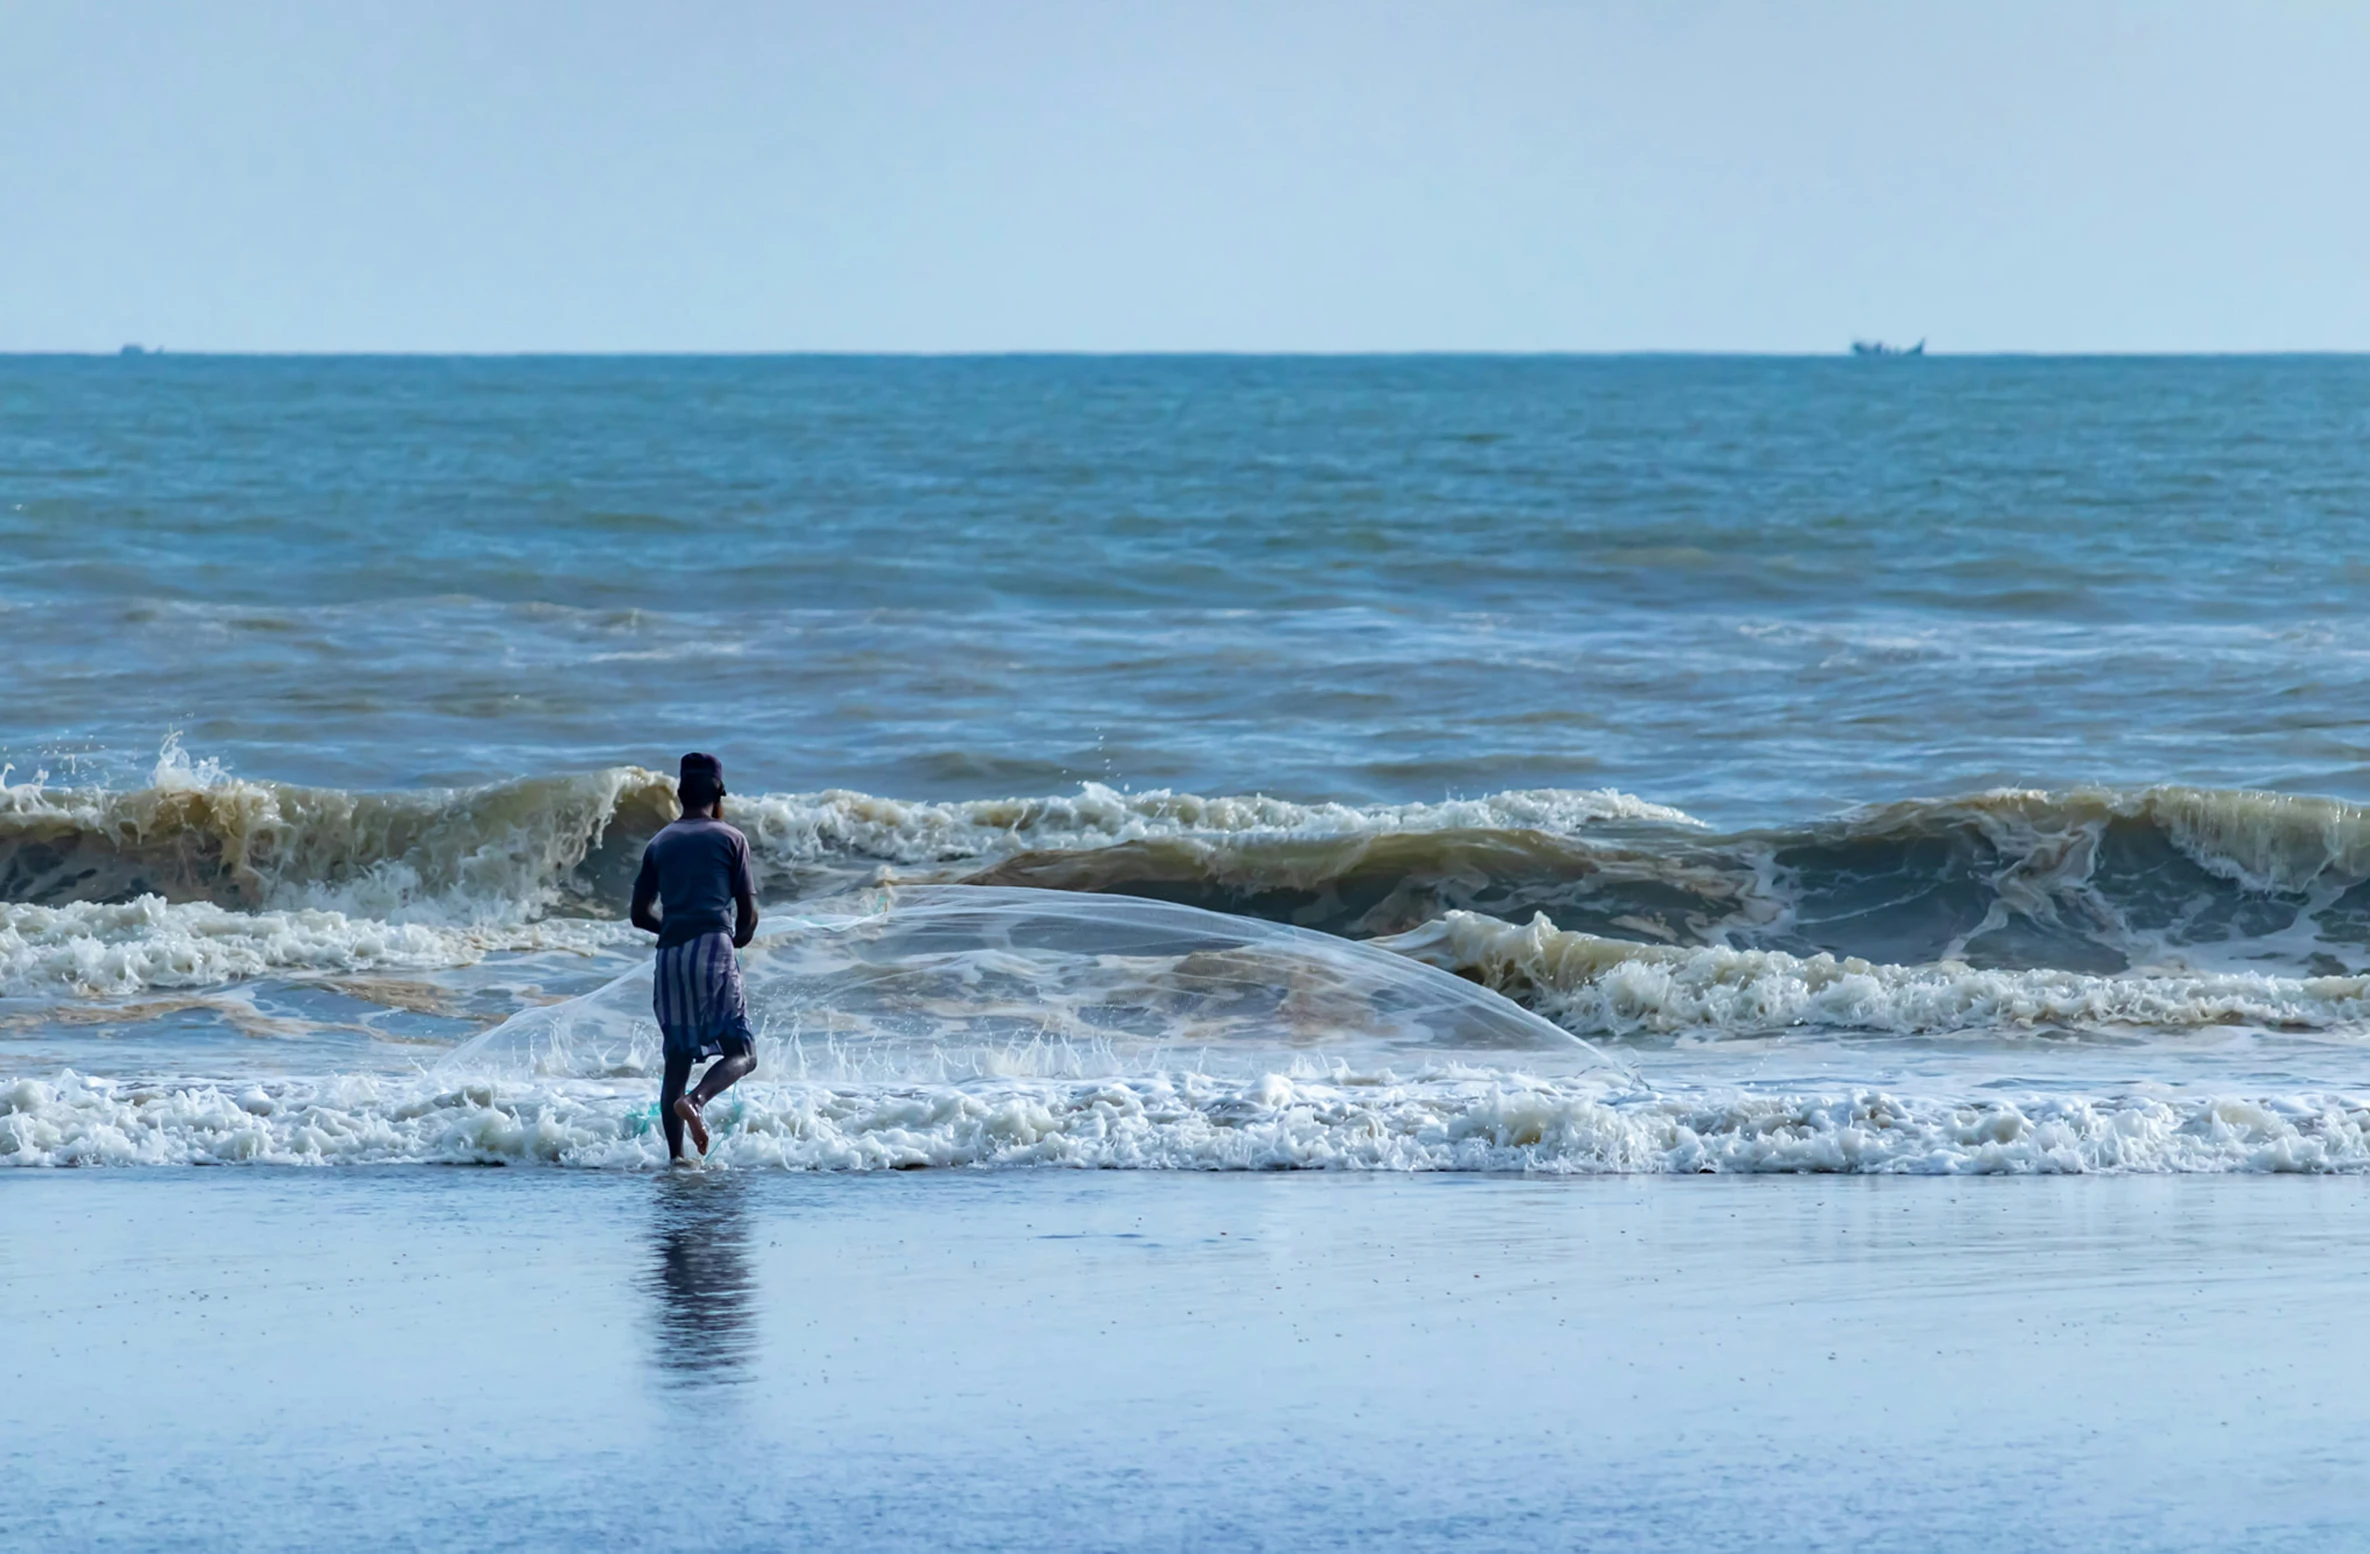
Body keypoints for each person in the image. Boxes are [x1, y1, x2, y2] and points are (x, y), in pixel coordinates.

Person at [630, 752, 760, 1162]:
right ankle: (698, 1101)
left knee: (677, 1058)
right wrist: (736, 938)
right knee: (743, 1052)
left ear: (680, 793)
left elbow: (639, 914)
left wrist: (671, 927)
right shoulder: (731, 839)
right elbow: (749, 914)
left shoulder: (660, 842)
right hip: (712, 948)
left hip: (670, 955)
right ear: (719, 793)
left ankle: (676, 1159)